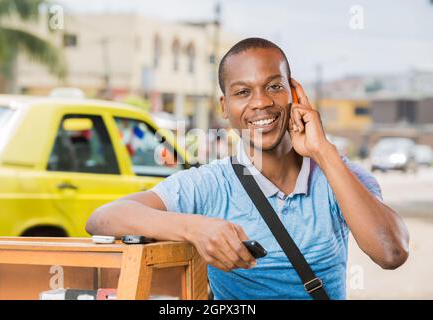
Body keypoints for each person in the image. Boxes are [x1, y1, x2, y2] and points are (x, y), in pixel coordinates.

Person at [85, 38, 409, 300]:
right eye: (243, 92)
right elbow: (103, 218)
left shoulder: (340, 177)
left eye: (273, 87)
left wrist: (323, 152)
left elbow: (391, 252)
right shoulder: (211, 184)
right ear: (225, 107)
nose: (261, 103)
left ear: (294, 93)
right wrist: (194, 229)